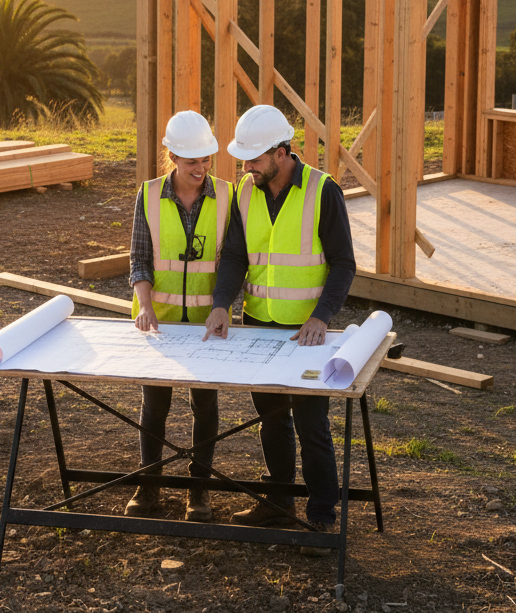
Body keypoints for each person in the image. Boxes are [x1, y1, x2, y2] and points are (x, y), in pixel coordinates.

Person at [202, 104, 356, 551]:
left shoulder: (322, 191)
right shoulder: (247, 192)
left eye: (254, 159)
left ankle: (321, 514)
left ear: (282, 151)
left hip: (307, 332)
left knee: (312, 424)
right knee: (270, 419)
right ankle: (279, 501)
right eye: (244, 160)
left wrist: (321, 318)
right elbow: (234, 256)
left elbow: (344, 264)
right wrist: (221, 305)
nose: (246, 168)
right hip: (258, 324)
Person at [126, 110, 233, 523]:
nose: (201, 169)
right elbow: (138, 257)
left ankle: (198, 490)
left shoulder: (226, 194)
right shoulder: (149, 194)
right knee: (155, 405)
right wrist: (146, 304)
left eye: (206, 159)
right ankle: (148, 484)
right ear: (171, 156)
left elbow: (231, 261)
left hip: (208, 323)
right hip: (161, 322)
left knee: (205, 406)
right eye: (192, 162)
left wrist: (223, 306)